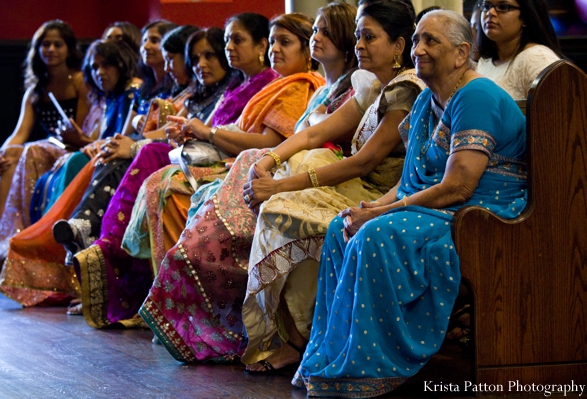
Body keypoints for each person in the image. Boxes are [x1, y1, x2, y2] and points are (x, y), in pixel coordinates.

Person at [293, 10, 528, 398]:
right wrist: (372, 207)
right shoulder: (428, 101)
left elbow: (459, 186)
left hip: (481, 216)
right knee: (343, 224)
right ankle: (334, 357)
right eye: (417, 39)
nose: (418, 48)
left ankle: (368, 369)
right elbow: (409, 182)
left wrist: (383, 214)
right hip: (441, 208)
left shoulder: (476, 96)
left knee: (375, 234)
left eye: (431, 41)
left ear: (461, 53)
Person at [241, 0, 425, 373]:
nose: (359, 44)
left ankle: (303, 337)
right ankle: (296, 335)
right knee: (286, 193)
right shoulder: (375, 86)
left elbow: (364, 162)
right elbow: (315, 132)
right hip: (357, 186)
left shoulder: (406, 89)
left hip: (380, 197)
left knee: (283, 211)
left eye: (369, 36)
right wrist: (268, 161)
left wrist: (279, 187)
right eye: (358, 35)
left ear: (399, 46)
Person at [137, 11, 330, 362]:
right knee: (162, 182)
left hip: (273, 168)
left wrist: (208, 134)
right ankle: (181, 311)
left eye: (284, 42)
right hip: (249, 162)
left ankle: (199, 311)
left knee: (169, 184)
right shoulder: (275, 84)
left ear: (308, 49)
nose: (275, 50)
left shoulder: (302, 85)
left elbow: (273, 141)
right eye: (273, 41)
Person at [0, 39, 141, 308]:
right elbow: (97, 139)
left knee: (73, 162)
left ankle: (61, 244)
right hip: (95, 155)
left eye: (106, 65)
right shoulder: (110, 98)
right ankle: (38, 241)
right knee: (31, 155)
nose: (100, 72)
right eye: (95, 67)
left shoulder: (133, 92)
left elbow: (123, 139)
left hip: (118, 160)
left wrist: (85, 143)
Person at [0, 20, 89, 264]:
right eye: (46, 44)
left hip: (75, 147)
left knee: (31, 150)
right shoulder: (36, 89)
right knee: (8, 158)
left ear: (69, 49)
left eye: (58, 44)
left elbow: (84, 129)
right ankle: (5, 233)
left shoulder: (79, 81)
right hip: (50, 146)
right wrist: (2, 152)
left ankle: (21, 235)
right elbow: (19, 133)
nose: (51, 50)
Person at [476, 0, 562, 99]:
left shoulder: (538, 58)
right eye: (486, 6)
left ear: (525, 18)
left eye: (503, 7)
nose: (490, 12)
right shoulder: (485, 61)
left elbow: (555, 111)